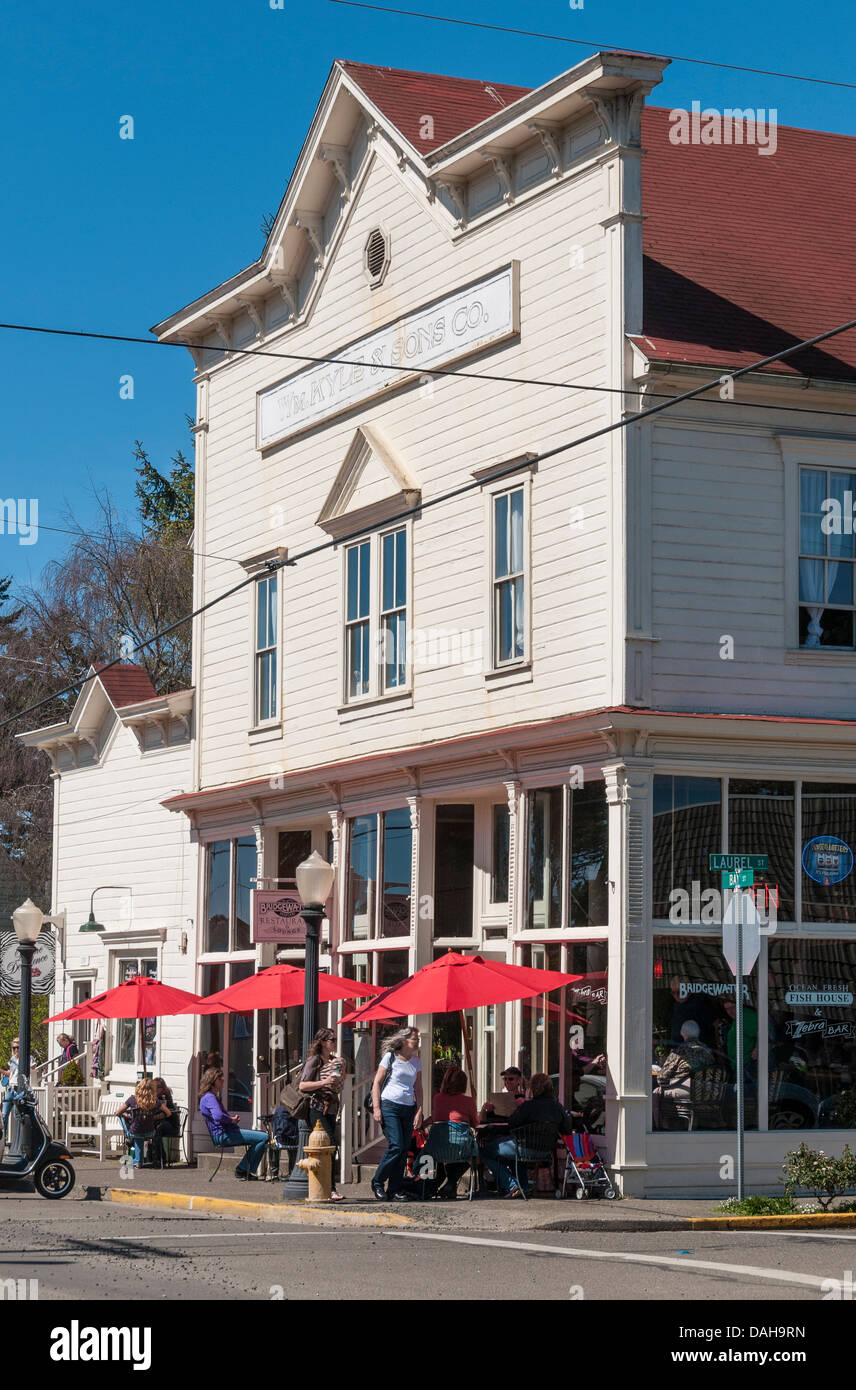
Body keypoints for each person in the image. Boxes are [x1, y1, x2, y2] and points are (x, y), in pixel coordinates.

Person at [480, 1073, 573, 1198]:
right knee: (512, 1153)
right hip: (546, 1152)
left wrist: (518, 1108)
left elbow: (512, 1123)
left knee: (485, 1152)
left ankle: (512, 1185)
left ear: (533, 1088)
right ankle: (523, 1186)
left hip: (524, 1149)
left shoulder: (528, 1106)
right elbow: (567, 1130)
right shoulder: (557, 1107)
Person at [371, 1027, 423, 1201]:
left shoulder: (416, 1061)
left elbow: (418, 1087)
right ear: (404, 1041)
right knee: (396, 1145)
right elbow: (377, 1083)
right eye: (415, 1038)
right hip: (389, 1105)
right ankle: (377, 1182)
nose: (417, 1041)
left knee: (403, 1150)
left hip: (408, 1107)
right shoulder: (390, 1057)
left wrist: (419, 1111)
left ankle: (395, 1189)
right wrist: (377, 1108)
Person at [298, 1027, 346, 1201]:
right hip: (317, 1107)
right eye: (332, 1039)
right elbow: (303, 1086)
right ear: (323, 1042)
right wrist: (324, 1081)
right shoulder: (314, 1061)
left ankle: (327, 1187)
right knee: (328, 1145)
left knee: (331, 1147)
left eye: (334, 1039)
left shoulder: (334, 1061)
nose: (334, 1042)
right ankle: (330, 1188)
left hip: (331, 1107)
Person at [198, 1067, 269, 1180]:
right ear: (212, 1080)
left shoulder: (207, 1097)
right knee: (264, 1137)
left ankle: (244, 1169)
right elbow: (218, 1116)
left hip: (223, 1134)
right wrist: (232, 1120)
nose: (223, 1080)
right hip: (224, 1135)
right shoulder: (210, 1097)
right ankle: (242, 1169)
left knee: (261, 1138)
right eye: (220, 1078)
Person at [423, 1065, 478, 1200]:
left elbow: (437, 1118)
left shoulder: (437, 1098)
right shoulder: (468, 1101)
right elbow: (476, 1123)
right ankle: (451, 1183)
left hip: (439, 1148)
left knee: (445, 1154)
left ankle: (448, 1187)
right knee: (476, 1153)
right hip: (461, 1149)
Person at [652, 1020, 715, 1129]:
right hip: (707, 1091)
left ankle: (660, 1128)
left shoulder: (680, 1051)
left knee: (655, 1093)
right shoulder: (708, 1050)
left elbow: (661, 1078)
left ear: (682, 1033)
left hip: (687, 1089)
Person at [117, 1078, 171, 1168]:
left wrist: (128, 1116)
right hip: (150, 1132)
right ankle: (138, 1161)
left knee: (121, 1118)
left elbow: (118, 1113)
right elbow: (168, 1113)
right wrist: (155, 1117)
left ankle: (128, 1136)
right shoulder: (155, 1101)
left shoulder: (132, 1099)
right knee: (140, 1132)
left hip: (135, 1131)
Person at [270, 1091, 300, 1179]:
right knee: (294, 1148)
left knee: (273, 1145)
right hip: (295, 1141)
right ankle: (292, 1171)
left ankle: (273, 1172)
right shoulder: (297, 1110)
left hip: (281, 1140)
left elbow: (275, 1127)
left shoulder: (279, 1110)